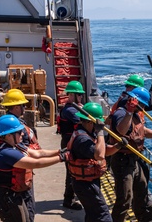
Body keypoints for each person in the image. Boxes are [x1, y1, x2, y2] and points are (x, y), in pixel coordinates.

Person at [0, 114, 70, 222]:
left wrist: (60, 151)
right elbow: (36, 163)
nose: (22, 134)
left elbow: (39, 154)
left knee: (26, 218)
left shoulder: (15, 146)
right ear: (8, 135)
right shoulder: (7, 153)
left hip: (12, 195)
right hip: (4, 199)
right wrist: (62, 158)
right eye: (19, 132)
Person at [110, 87, 152, 222]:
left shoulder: (137, 114)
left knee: (141, 187)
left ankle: (143, 216)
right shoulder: (121, 113)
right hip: (122, 161)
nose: (143, 107)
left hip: (134, 159)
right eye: (142, 104)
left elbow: (142, 130)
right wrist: (129, 112)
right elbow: (121, 130)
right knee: (125, 198)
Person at [67, 102, 128, 222]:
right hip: (86, 185)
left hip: (88, 182)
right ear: (90, 122)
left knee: (93, 216)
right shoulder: (82, 139)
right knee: (103, 216)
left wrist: (118, 146)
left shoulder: (87, 134)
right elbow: (99, 155)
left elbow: (105, 150)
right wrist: (100, 132)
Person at [0, 88, 41, 222]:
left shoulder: (5, 122)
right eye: (23, 105)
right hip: (21, 174)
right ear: (17, 107)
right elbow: (23, 152)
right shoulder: (17, 127)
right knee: (28, 207)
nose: (24, 107)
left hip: (11, 174)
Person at [57, 80, 85, 210]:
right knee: (72, 171)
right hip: (69, 143)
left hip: (72, 141)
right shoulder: (70, 110)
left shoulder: (74, 108)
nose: (80, 97)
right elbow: (83, 121)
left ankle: (74, 195)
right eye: (78, 95)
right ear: (71, 95)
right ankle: (68, 199)